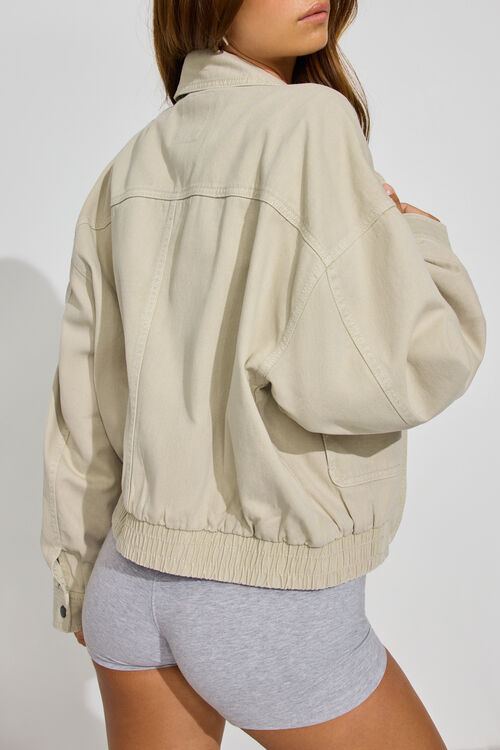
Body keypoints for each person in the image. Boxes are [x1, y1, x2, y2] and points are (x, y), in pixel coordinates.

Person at [40, 1, 487, 748]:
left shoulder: (128, 166)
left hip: (128, 585)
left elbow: (82, 400)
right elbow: (412, 365)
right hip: (268, 602)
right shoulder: (311, 122)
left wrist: (77, 578)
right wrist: (418, 234)